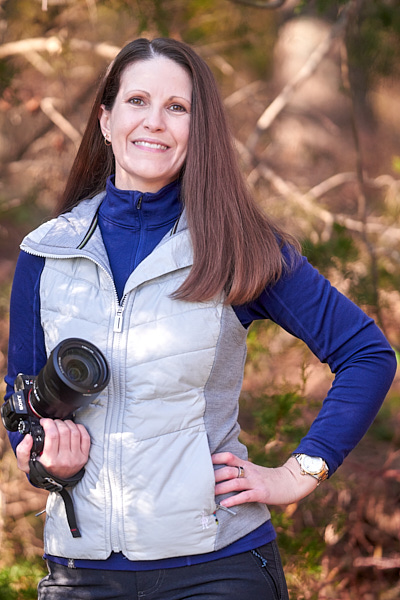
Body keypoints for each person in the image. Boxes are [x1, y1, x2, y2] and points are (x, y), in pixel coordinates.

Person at [3, 37, 396, 600]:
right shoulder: (46, 254)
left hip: (218, 569)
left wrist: (298, 474)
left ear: (199, 128)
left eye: (178, 108)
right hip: (80, 572)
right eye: (137, 101)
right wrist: (45, 461)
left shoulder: (239, 249)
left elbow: (368, 355)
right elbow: (21, 411)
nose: (155, 123)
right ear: (106, 119)